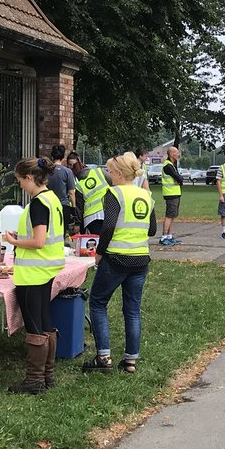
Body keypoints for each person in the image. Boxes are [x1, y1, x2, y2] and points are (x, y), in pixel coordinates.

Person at [82, 152, 156, 374]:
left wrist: (99, 252)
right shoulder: (146, 196)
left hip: (116, 258)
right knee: (132, 310)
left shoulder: (114, 193)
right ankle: (130, 360)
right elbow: (152, 230)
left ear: (120, 173)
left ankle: (104, 357)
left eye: (111, 172)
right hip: (141, 258)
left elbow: (108, 227)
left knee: (97, 302)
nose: (109, 175)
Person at [2, 157, 66, 394]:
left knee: (34, 325)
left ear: (30, 178)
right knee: (44, 320)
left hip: (32, 272)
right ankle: (47, 376)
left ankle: (34, 381)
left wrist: (14, 241)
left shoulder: (39, 203)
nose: (20, 186)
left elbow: (39, 241)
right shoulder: (53, 199)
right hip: (46, 268)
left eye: (20, 181)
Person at [71, 152, 110, 235]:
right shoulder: (99, 172)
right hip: (105, 212)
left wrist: (77, 224)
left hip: (90, 218)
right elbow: (113, 182)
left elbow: (79, 208)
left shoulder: (79, 186)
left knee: (95, 241)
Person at [47, 144, 78, 238]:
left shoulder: (46, 171)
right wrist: (73, 208)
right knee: (62, 231)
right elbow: (71, 193)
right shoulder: (67, 172)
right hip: (63, 206)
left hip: (48, 204)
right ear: (63, 157)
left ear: (52, 157)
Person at [159, 145, 183, 246]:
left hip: (175, 193)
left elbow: (179, 179)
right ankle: (164, 237)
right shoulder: (168, 166)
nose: (178, 154)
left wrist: (179, 180)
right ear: (172, 154)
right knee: (169, 215)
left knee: (173, 216)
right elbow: (179, 178)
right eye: (176, 152)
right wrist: (179, 180)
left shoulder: (173, 165)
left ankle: (169, 235)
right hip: (170, 194)